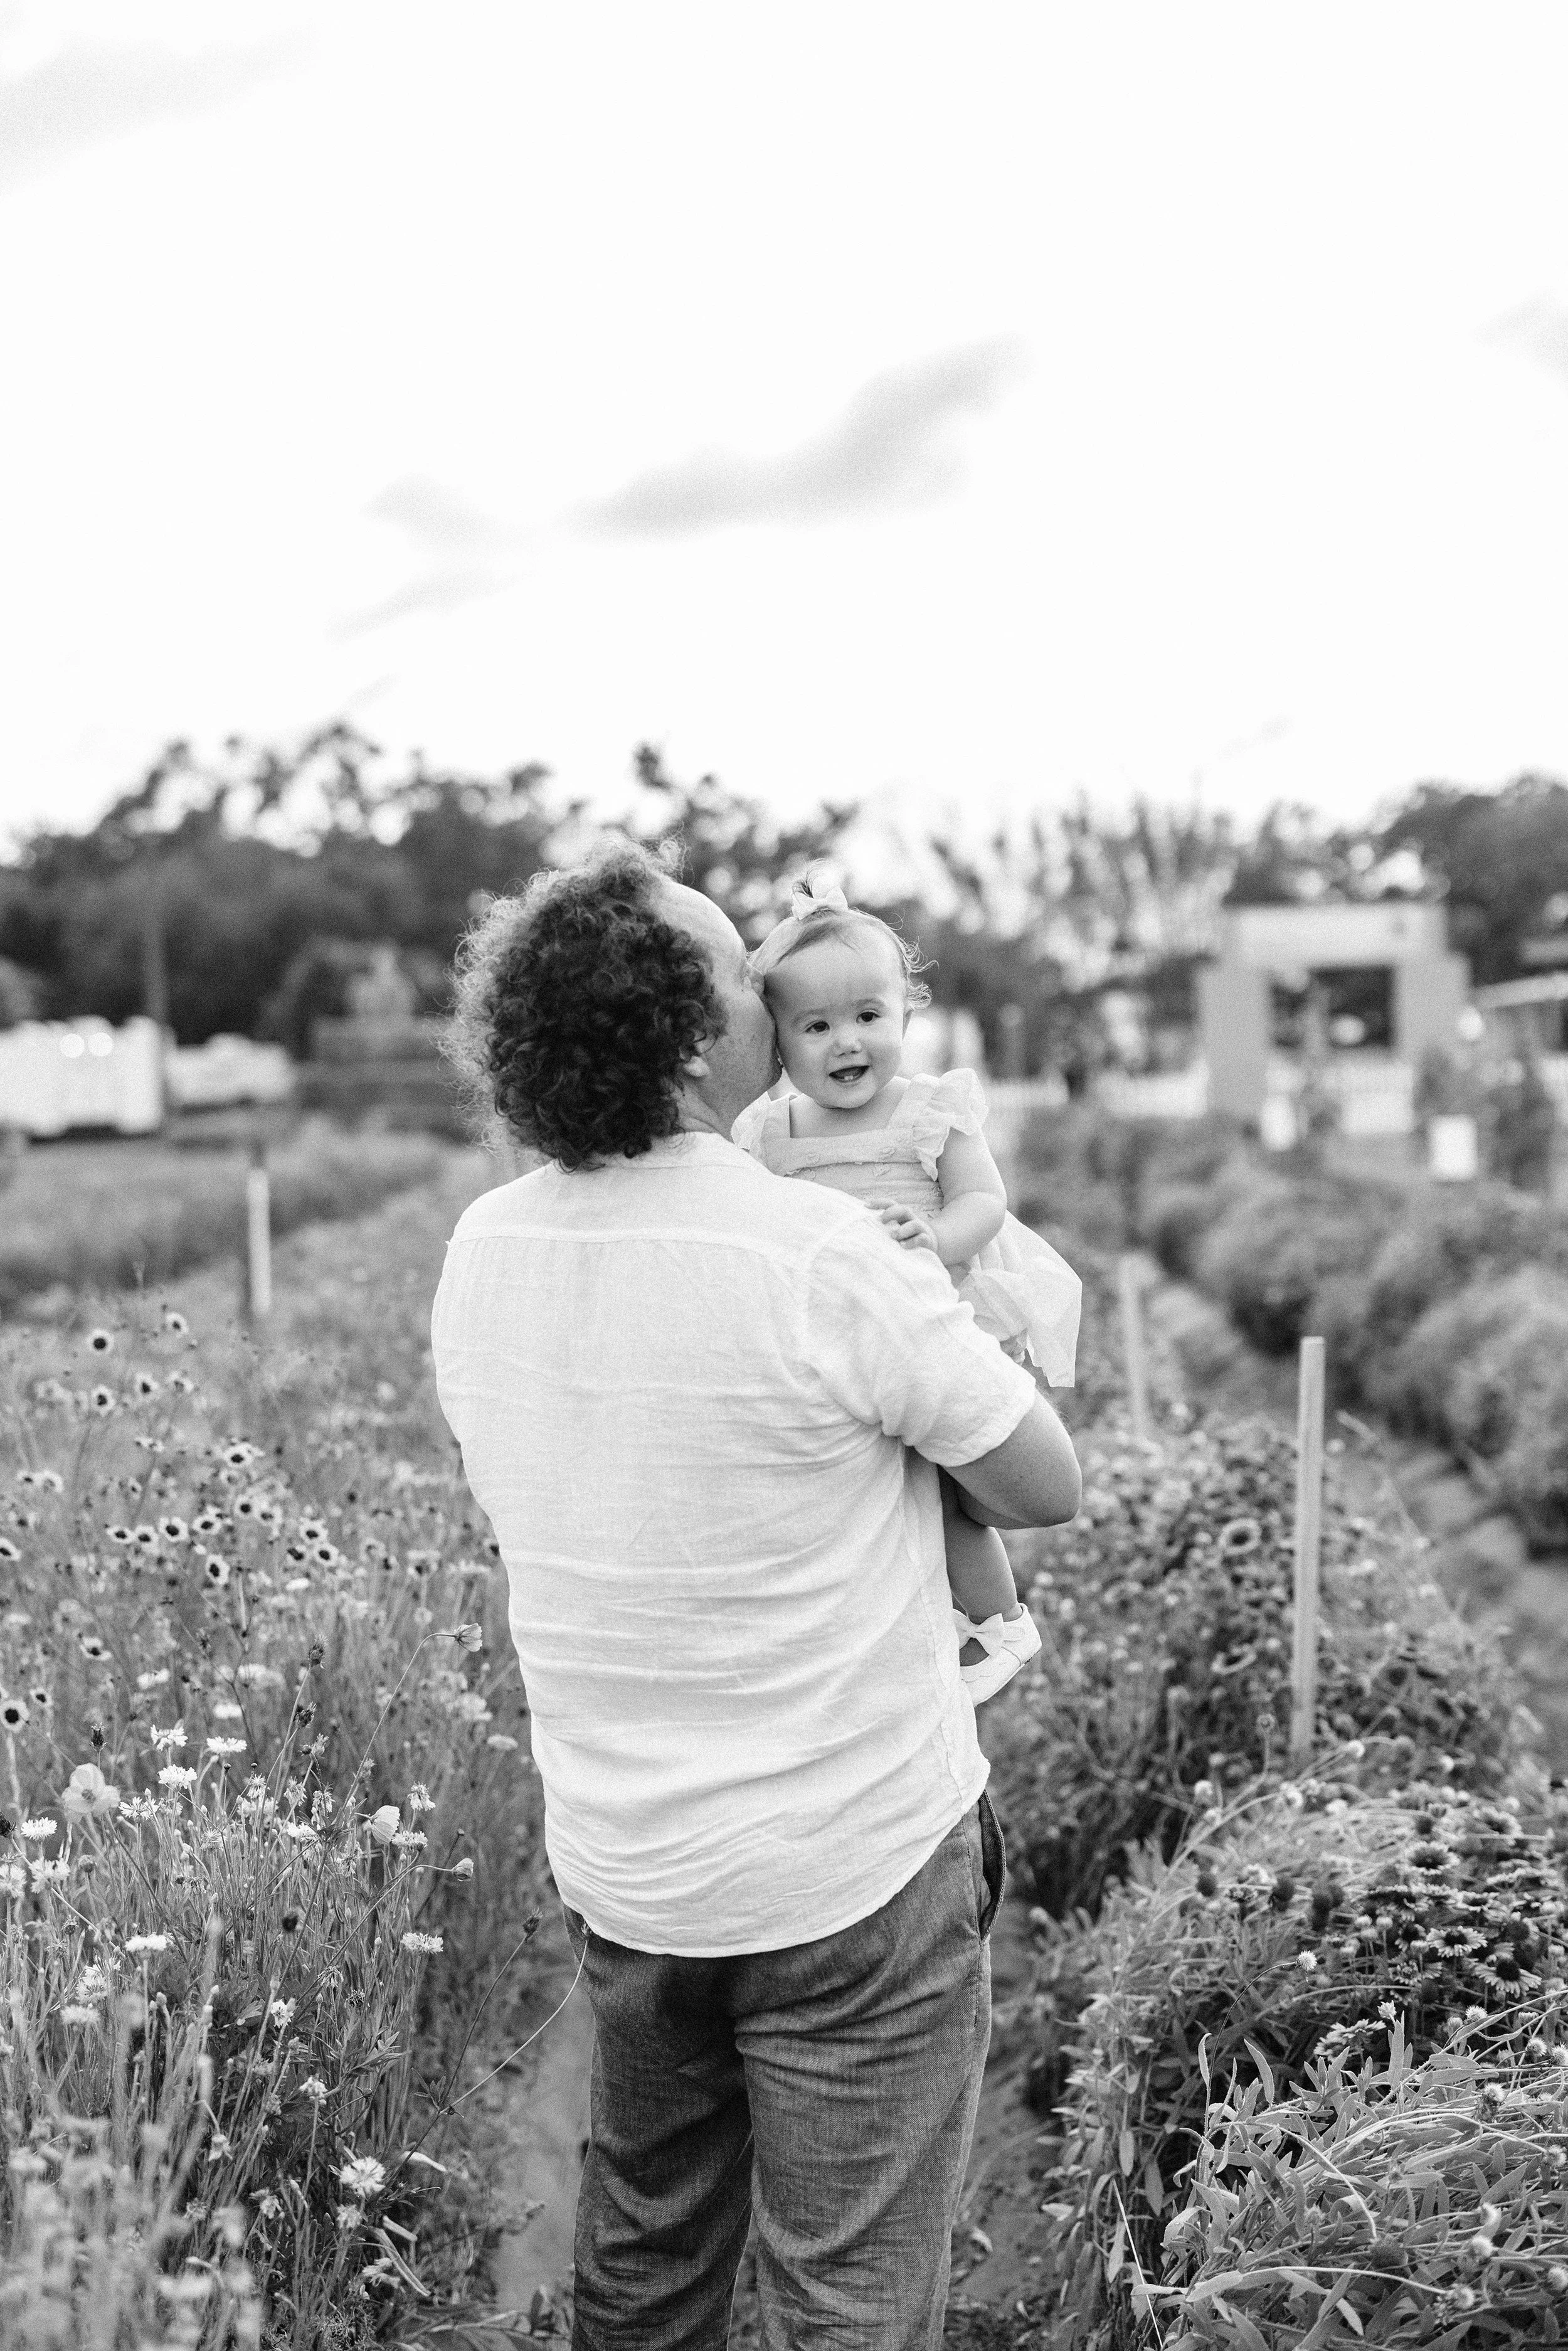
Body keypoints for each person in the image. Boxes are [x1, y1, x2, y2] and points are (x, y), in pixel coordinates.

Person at [430, 839, 1081, 2351]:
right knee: (843, 2295)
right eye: (743, 970)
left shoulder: (482, 1250)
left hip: (631, 1872)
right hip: (847, 1870)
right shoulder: (816, 1248)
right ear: (693, 1019)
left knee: (647, 2270)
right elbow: (1040, 1476)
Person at [738, 874, 1083, 1702]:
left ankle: (1000, 1622)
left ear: (905, 1014)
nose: (846, 1042)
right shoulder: (770, 1134)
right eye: (815, 1026)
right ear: (776, 1042)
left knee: (946, 1491)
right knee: (870, 1494)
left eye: (868, 1016)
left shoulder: (928, 1110)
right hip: (834, 1342)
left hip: (934, 1322)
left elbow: (983, 1202)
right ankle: (907, 1626)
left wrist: (933, 1237)